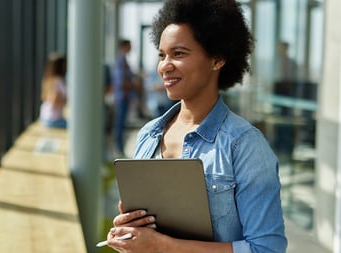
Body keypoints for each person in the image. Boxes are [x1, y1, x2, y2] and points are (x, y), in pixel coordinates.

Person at [106, 0, 288, 252]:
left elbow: (267, 249)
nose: (164, 66)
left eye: (178, 54)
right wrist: (128, 231)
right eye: (162, 55)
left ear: (217, 58)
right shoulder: (148, 135)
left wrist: (163, 246)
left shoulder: (245, 145)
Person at [111, 39, 140, 157]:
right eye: (130, 46)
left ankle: (120, 149)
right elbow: (121, 82)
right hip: (122, 97)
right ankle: (119, 150)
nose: (131, 48)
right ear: (124, 46)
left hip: (123, 97)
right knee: (120, 124)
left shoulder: (122, 60)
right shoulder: (121, 61)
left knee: (121, 124)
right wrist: (135, 85)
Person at [39, 53, 67, 128]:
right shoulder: (58, 82)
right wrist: (66, 101)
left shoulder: (48, 80)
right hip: (53, 120)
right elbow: (54, 101)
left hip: (44, 117)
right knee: (78, 124)